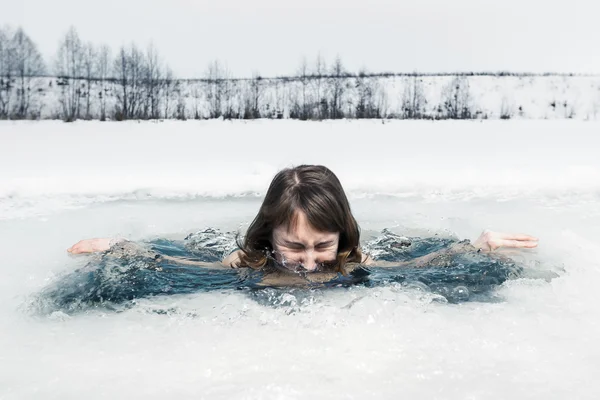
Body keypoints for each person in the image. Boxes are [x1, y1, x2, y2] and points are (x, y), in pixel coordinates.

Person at [67, 165, 538, 280]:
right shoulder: (250, 259)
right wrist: (122, 248)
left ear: (342, 237)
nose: (310, 264)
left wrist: (474, 248)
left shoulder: (352, 260)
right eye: (294, 246)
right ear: (270, 233)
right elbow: (190, 267)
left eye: (321, 246)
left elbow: (410, 269)